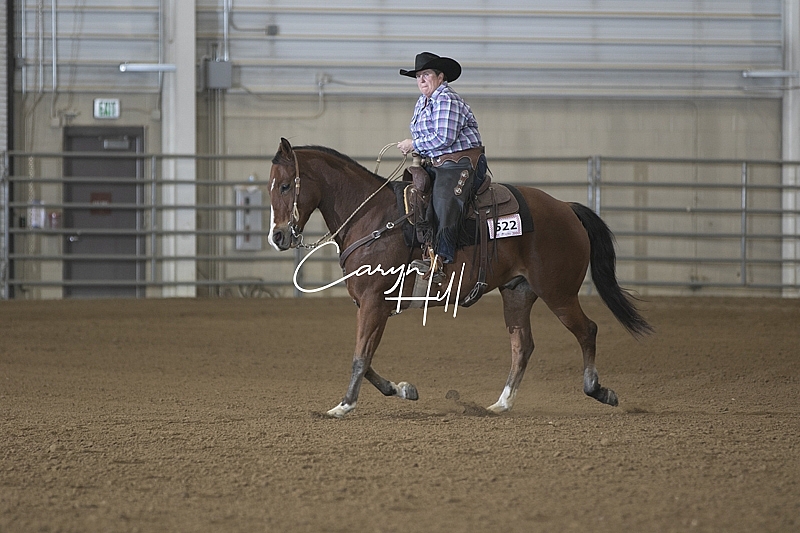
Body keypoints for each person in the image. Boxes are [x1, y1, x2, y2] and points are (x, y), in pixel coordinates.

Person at [397, 52, 485, 281]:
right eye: (418, 76)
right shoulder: (423, 102)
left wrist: (413, 144)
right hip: (438, 164)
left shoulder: (447, 99)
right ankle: (424, 247)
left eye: (426, 74)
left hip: (462, 163)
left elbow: (444, 138)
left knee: (445, 199)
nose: (421, 80)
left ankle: (442, 257)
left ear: (440, 76)